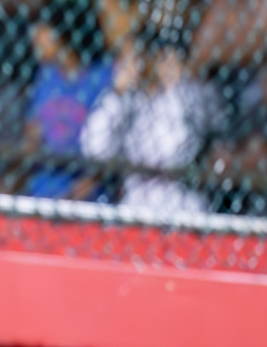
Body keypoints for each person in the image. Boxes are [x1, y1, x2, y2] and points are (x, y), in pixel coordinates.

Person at [81, 35, 217, 215]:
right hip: (135, 204)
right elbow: (94, 149)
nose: (128, 67)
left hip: (182, 206)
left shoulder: (189, 93)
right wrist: (117, 95)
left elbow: (174, 153)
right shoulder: (124, 99)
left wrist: (173, 86)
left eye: (134, 59)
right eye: (123, 60)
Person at [24, 15, 111, 198]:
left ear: (61, 37)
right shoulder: (46, 76)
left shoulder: (100, 77)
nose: (34, 42)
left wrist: (80, 190)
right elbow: (32, 135)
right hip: (44, 187)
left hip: (87, 191)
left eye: (41, 34)